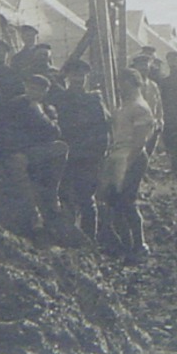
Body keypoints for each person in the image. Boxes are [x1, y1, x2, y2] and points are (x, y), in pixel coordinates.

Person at [3, 73, 77, 243]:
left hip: (37, 151)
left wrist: (39, 113)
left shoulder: (47, 109)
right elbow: (5, 130)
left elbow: (54, 132)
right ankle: (33, 212)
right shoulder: (14, 105)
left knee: (61, 147)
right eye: (30, 87)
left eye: (37, 89)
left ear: (44, 92)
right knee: (18, 164)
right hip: (17, 151)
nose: (32, 92)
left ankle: (52, 194)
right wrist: (16, 147)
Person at [51, 59, 111, 241]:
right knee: (66, 196)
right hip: (66, 156)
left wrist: (100, 155)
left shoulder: (94, 100)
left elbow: (104, 130)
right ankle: (71, 237)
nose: (78, 79)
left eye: (81, 76)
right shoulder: (59, 99)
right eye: (74, 75)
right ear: (67, 76)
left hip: (87, 157)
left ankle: (89, 239)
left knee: (86, 198)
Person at [102, 68, 157, 261]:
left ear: (135, 84)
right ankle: (126, 245)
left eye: (124, 84)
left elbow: (139, 142)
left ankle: (139, 245)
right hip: (119, 156)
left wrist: (126, 166)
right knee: (116, 201)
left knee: (127, 200)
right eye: (119, 83)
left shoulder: (140, 107)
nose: (120, 88)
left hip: (131, 157)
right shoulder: (125, 106)